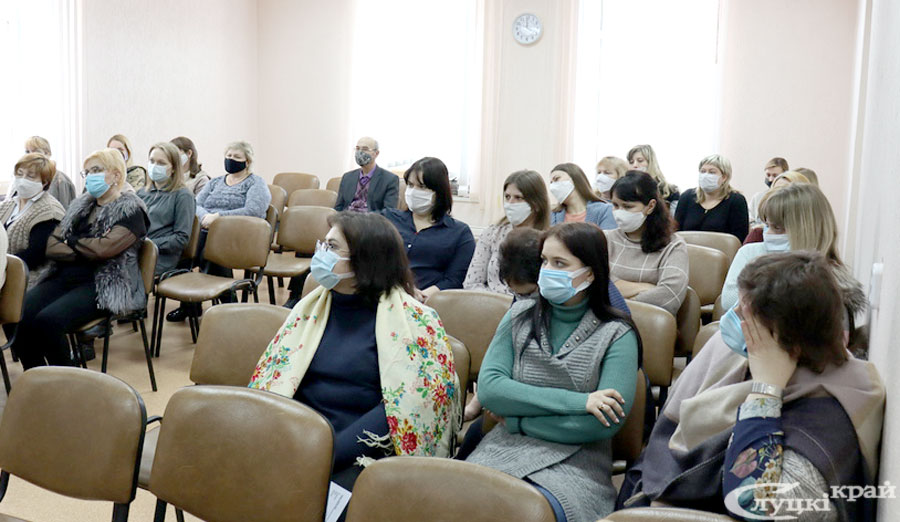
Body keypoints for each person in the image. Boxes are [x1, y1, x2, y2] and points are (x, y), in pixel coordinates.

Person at [617, 251, 884, 521]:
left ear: (788, 341)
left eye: (746, 315)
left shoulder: (830, 412)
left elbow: (752, 504)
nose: (733, 319)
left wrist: (766, 389)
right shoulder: (773, 365)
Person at [249, 212, 460, 516]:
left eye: (332, 247)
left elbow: (406, 406)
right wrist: (291, 442)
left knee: (324, 507)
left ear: (365, 260)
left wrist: (325, 452)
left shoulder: (416, 322)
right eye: (324, 244)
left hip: (362, 449)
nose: (321, 254)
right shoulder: (309, 308)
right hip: (299, 435)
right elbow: (281, 379)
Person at [466, 222, 640, 522]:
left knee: (526, 512)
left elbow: (601, 424)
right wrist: (580, 402)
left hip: (577, 465)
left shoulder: (617, 334)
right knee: (457, 501)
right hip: (502, 448)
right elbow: (491, 390)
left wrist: (518, 420)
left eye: (560, 263)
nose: (547, 270)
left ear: (590, 272)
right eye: (544, 261)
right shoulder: (518, 316)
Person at [13, 148, 148, 369]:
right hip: (65, 275)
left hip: (101, 283)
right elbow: (52, 245)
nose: (90, 176)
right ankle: (37, 374)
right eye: (87, 172)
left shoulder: (131, 211)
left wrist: (72, 241)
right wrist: (85, 248)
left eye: (96, 170)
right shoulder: (81, 205)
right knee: (19, 313)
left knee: (48, 321)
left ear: (116, 175)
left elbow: (103, 250)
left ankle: (68, 379)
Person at [720, 184, 866, 347]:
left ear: (807, 231)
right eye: (767, 226)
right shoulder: (752, 254)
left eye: (777, 228)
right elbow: (728, 301)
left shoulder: (828, 292)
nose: (768, 234)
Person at [380, 157, 475, 301]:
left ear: (439, 191)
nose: (414, 191)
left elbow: (455, 279)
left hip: (428, 302)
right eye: (410, 185)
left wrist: (421, 295)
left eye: (422, 187)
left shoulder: (460, 233)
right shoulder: (388, 218)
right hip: (384, 295)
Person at [606, 172, 689, 316]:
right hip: (605, 320)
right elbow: (593, 285)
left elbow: (669, 296)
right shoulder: (605, 238)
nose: (619, 213)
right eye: (615, 205)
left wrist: (617, 300)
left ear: (650, 206)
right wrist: (646, 288)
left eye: (628, 206)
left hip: (648, 322)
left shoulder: (673, 246)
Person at [464, 170, 550, 295]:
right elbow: (471, 283)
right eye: (507, 197)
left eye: (518, 198)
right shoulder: (492, 234)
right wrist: (495, 302)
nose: (510, 203)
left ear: (536, 203)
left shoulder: (548, 240)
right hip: (488, 302)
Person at [1, 154, 66, 286]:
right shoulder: (8, 205)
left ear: (44, 182)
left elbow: (35, 256)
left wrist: (2, 263)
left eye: (30, 176)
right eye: (19, 174)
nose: (22, 180)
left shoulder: (49, 211)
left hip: (29, 278)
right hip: (3, 270)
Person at [138, 142, 196, 275]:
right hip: (136, 252)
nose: (154, 166)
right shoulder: (141, 193)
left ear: (174, 168)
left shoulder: (183, 196)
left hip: (160, 257)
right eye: (152, 161)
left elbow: (181, 238)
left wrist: (148, 245)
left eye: (161, 163)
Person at [674, 154, 749, 242]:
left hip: (721, 250)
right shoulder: (687, 197)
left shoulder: (736, 201)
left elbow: (739, 239)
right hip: (687, 248)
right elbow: (675, 232)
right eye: (703, 171)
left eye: (712, 172)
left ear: (724, 177)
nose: (705, 175)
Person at [742, 171, 811, 245]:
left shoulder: (813, 239)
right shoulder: (758, 235)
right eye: (775, 189)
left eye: (785, 190)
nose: (778, 195)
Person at [333, 137, 399, 212]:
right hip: (347, 217)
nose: (360, 152)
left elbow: (388, 212)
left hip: (372, 218)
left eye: (365, 149)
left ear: (376, 153)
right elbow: (338, 208)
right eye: (357, 149)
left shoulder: (390, 179)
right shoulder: (347, 177)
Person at [549, 163, 616, 228]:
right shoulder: (553, 214)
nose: (552, 186)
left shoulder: (605, 210)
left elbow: (608, 235)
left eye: (556, 179)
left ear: (575, 178)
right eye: (551, 182)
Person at [23, 136, 76, 209]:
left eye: (36, 151)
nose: (30, 155)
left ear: (47, 153)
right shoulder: (23, 179)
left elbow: (65, 211)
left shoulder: (61, 181)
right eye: (27, 152)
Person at [748, 157, 789, 226]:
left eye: (775, 175)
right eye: (768, 175)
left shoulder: (790, 199)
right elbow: (750, 219)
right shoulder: (758, 197)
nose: (770, 179)